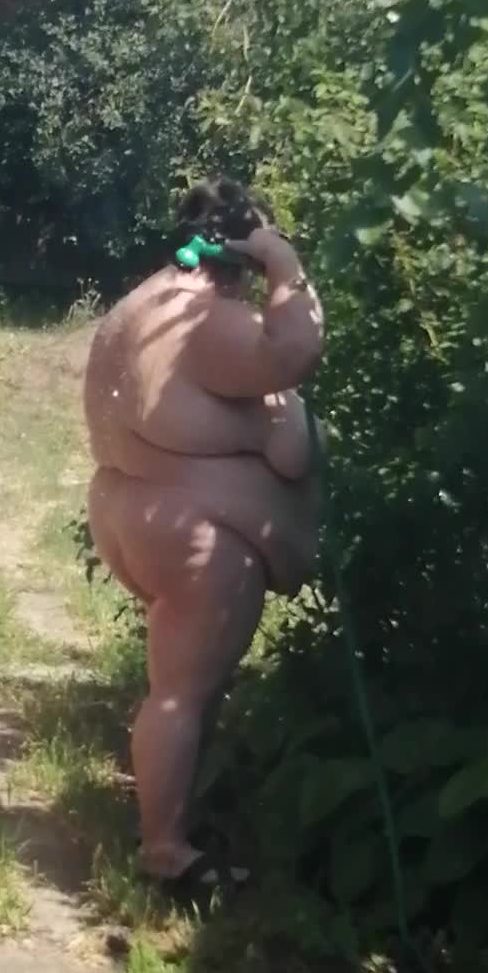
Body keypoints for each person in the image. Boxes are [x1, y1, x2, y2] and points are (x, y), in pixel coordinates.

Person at [83, 178, 324, 901]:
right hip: (194, 538)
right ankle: (166, 853)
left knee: (179, 690)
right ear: (245, 249)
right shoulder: (205, 321)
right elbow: (296, 348)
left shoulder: (139, 308)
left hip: (132, 513)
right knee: (180, 695)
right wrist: (286, 266)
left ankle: (176, 818)